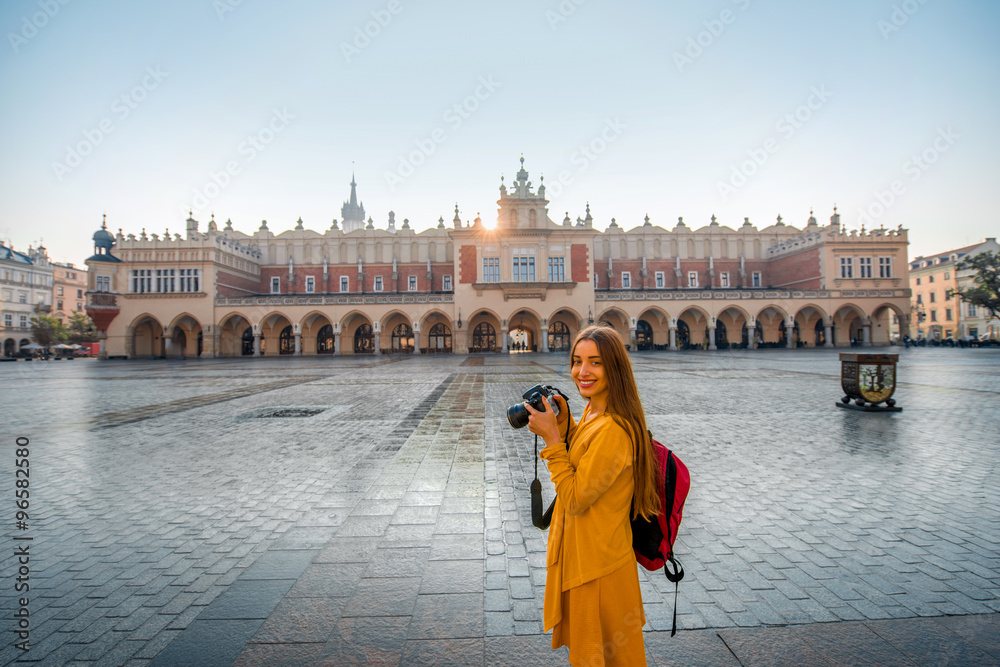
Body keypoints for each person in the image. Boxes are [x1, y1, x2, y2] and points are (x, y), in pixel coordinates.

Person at [525, 324, 659, 666]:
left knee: (605, 659)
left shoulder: (614, 428)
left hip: (598, 569)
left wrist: (553, 441)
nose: (582, 372)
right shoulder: (594, 411)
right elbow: (585, 464)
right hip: (590, 557)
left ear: (615, 367)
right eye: (577, 361)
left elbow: (574, 499)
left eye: (595, 363)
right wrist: (566, 426)